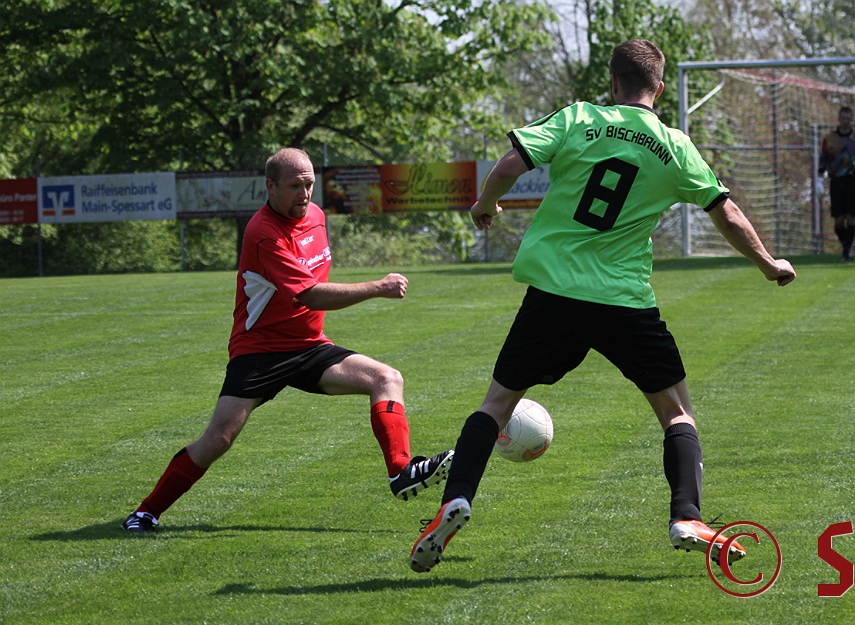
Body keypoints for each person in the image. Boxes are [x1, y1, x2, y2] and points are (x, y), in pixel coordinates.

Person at [409, 39, 797, 573]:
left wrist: (485, 204)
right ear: (659, 89)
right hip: (623, 300)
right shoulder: (674, 145)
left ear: (613, 82)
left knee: (496, 404)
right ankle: (686, 516)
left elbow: (509, 165)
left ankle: (455, 498)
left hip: (554, 293)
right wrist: (768, 263)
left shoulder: (579, 118)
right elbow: (726, 213)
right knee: (676, 412)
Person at [122, 147, 453, 532]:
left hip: (310, 347)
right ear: (270, 186)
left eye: (309, 184)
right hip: (259, 351)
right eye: (295, 186)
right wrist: (378, 287)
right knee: (219, 439)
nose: (304, 193)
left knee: (387, 378)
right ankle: (145, 512)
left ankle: (401, 471)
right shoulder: (262, 233)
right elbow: (310, 294)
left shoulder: (316, 216)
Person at [819, 106, 855, 261]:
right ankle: (846, 247)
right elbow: (824, 158)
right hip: (836, 181)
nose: (845, 121)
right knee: (839, 220)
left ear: (851, 119)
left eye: (848, 118)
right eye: (843, 118)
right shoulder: (830, 139)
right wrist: (819, 178)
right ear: (839, 119)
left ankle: (847, 251)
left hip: (853, 181)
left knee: (851, 217)